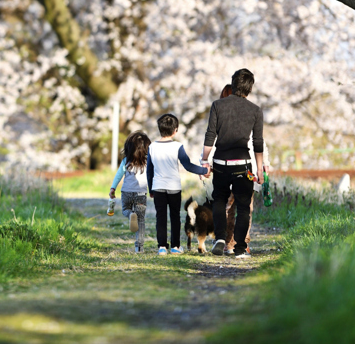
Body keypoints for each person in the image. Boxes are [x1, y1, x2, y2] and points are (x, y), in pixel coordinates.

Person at [201, 68, 264, 258]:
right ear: (250, 88)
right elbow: (257, 143)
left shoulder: (217, 105)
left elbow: (210, 135)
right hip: (243, 165)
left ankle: (220, 238)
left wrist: (204, 160)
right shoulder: (255, 110)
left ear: (233, 83)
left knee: (219, 199)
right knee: (244, 206)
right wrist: (259, 169)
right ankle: (239, 249)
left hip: (220, 162)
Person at [212, 83, 271, 255]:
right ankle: (240, 243)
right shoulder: (248, 113)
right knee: (245, 207)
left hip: (229, 166)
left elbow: (213, 141)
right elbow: (260, 143)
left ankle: (230, 243)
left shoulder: (221, 114)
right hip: (247, 168)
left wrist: (207, 163)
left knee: (229, 206)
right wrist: (264, 165)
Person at [147, 113, 210, 255]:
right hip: (174, 187)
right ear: (175, 130)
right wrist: (203, 170)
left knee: (160, 217)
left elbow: (149, 170)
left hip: (158, 187)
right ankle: (175, 247)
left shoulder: (152, 147)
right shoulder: (177, 146)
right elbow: (187, 165)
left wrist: (151, 188)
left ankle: (162, 247)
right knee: (175, 216)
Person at [109, 131, 151, 253]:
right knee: (141, 219)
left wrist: (113, 188)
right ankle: (139, 247)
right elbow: (151, 177)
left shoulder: (126, 161)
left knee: (125, 210)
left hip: (126, 192)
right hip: (141, 194)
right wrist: (153, 190)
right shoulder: (147, 162)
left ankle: (130, 214)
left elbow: (118, 176)